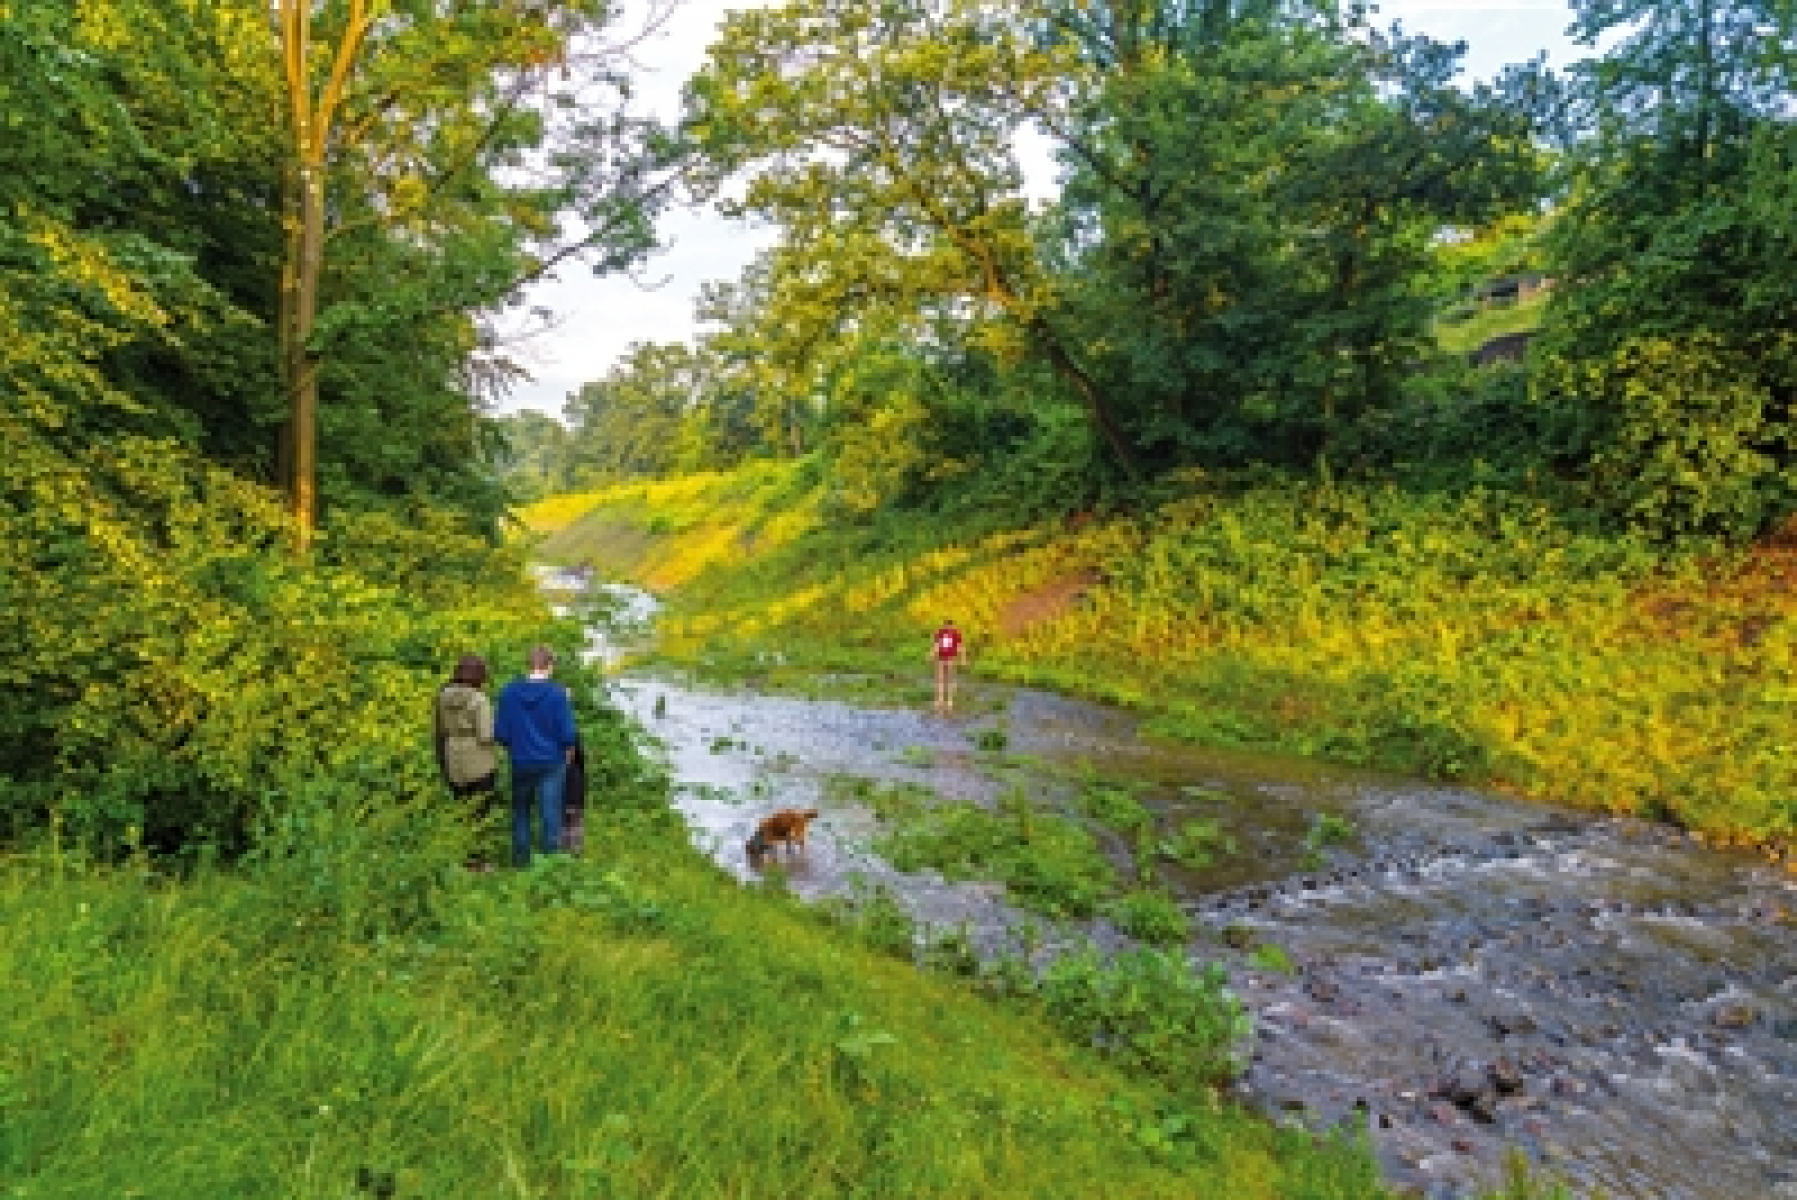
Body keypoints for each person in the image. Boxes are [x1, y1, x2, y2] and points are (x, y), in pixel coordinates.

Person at [494, 645, 579, 867]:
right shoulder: (557, 694)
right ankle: (549, 867)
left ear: (528, 665)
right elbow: (567, 734)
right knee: (550, 814)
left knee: (520, 811)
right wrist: (568, 754)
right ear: (549, 666)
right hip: (551, 762)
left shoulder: (509, 692)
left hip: (520, 761)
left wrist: (515, 748)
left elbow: (501, 733)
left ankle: (520, 863)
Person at [434, 654, 498, 817]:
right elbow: (485, 736)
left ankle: (464, 841)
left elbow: (442, 729)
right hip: (479, 763)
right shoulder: (479, 699)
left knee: (463, 811)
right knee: (481, 813)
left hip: (453, 758)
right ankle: (481, 842)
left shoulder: (443, 696)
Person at [930, 618, 966, 714]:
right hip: (940, 657)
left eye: (950, 626)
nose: (948, 628)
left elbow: (961, 647)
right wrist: (932, 653)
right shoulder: (940, 633)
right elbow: (936, 645)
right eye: (946, 626)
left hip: (951, 657)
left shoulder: (957, 634)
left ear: (952, 626)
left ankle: (950, 700)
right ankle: (939, 700)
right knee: (940, 678)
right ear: (944, 625)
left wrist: (963, 658)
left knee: (950, 678)